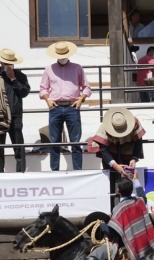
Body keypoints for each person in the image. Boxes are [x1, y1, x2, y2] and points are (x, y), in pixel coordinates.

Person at [40, 41, 91, 171]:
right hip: (55, 107)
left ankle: (77, 171)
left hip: (72, 107)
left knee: (75, 142)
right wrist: (48, 100)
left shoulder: (77, 68)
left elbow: (86, 87)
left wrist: (80, 100)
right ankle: (54, 171)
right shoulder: (49, 69)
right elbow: (43, 88)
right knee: (54, 142)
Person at [0, 48, 30, 173]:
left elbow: (24, 92)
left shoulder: (20, 76)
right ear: (1, 62)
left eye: (10, 63)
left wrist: (13, 79)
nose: (8, 65)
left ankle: (20, 173)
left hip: (15, 116)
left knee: (19, 147)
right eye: (5, 62)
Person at [86, 107, 145, 180]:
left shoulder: (134, 123)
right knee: (110, 178)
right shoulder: (104, 128)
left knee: (127, 178)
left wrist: (134, 158)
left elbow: (138, 141)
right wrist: (115, 165)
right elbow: (103, 149)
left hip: (128, 149)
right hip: (111, 150)